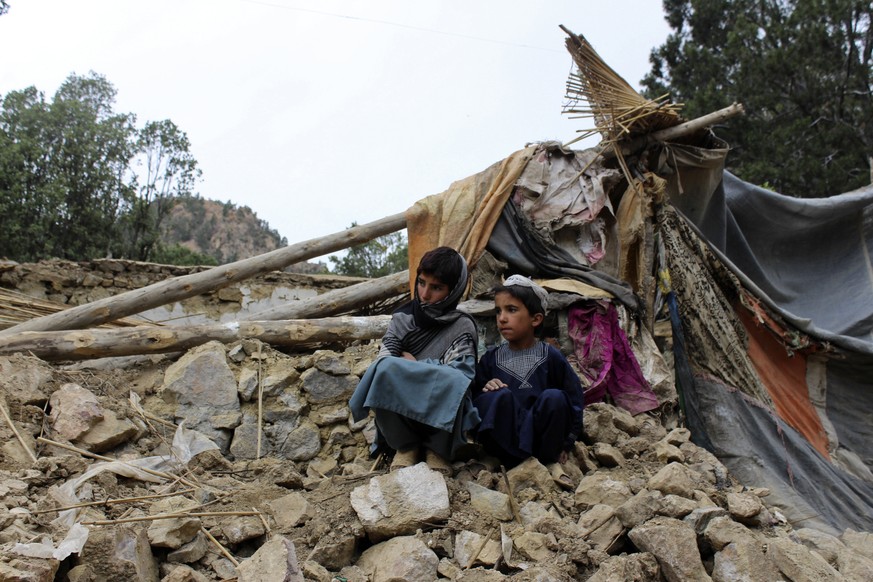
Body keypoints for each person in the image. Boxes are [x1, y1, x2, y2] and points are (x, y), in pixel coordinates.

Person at [349, 246, 480, 475]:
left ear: (454, 290)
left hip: (441, 420)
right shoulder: (403, 318)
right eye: (421, 283)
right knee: (385, 370)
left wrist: (414, 364)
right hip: (403, 414)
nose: (425, 294)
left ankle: (436, 448)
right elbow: (385, 360)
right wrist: (428, 369)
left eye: (436, 287)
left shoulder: (462, 326)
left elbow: (462, 377)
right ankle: (406, 446)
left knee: (453, 383)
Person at [472, 275, 584, 486]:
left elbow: (574, 399)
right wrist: (487, 390)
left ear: (536, 319)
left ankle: (548, 462)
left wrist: (567, 443)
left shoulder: (551, 356)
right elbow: (474, 402)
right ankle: (496, 457)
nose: (502, 318)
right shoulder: (490, 359)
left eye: (511, 310)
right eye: (498, 311)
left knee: (555, 397)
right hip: (503, 441)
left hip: (541, 442)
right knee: (497, 394)